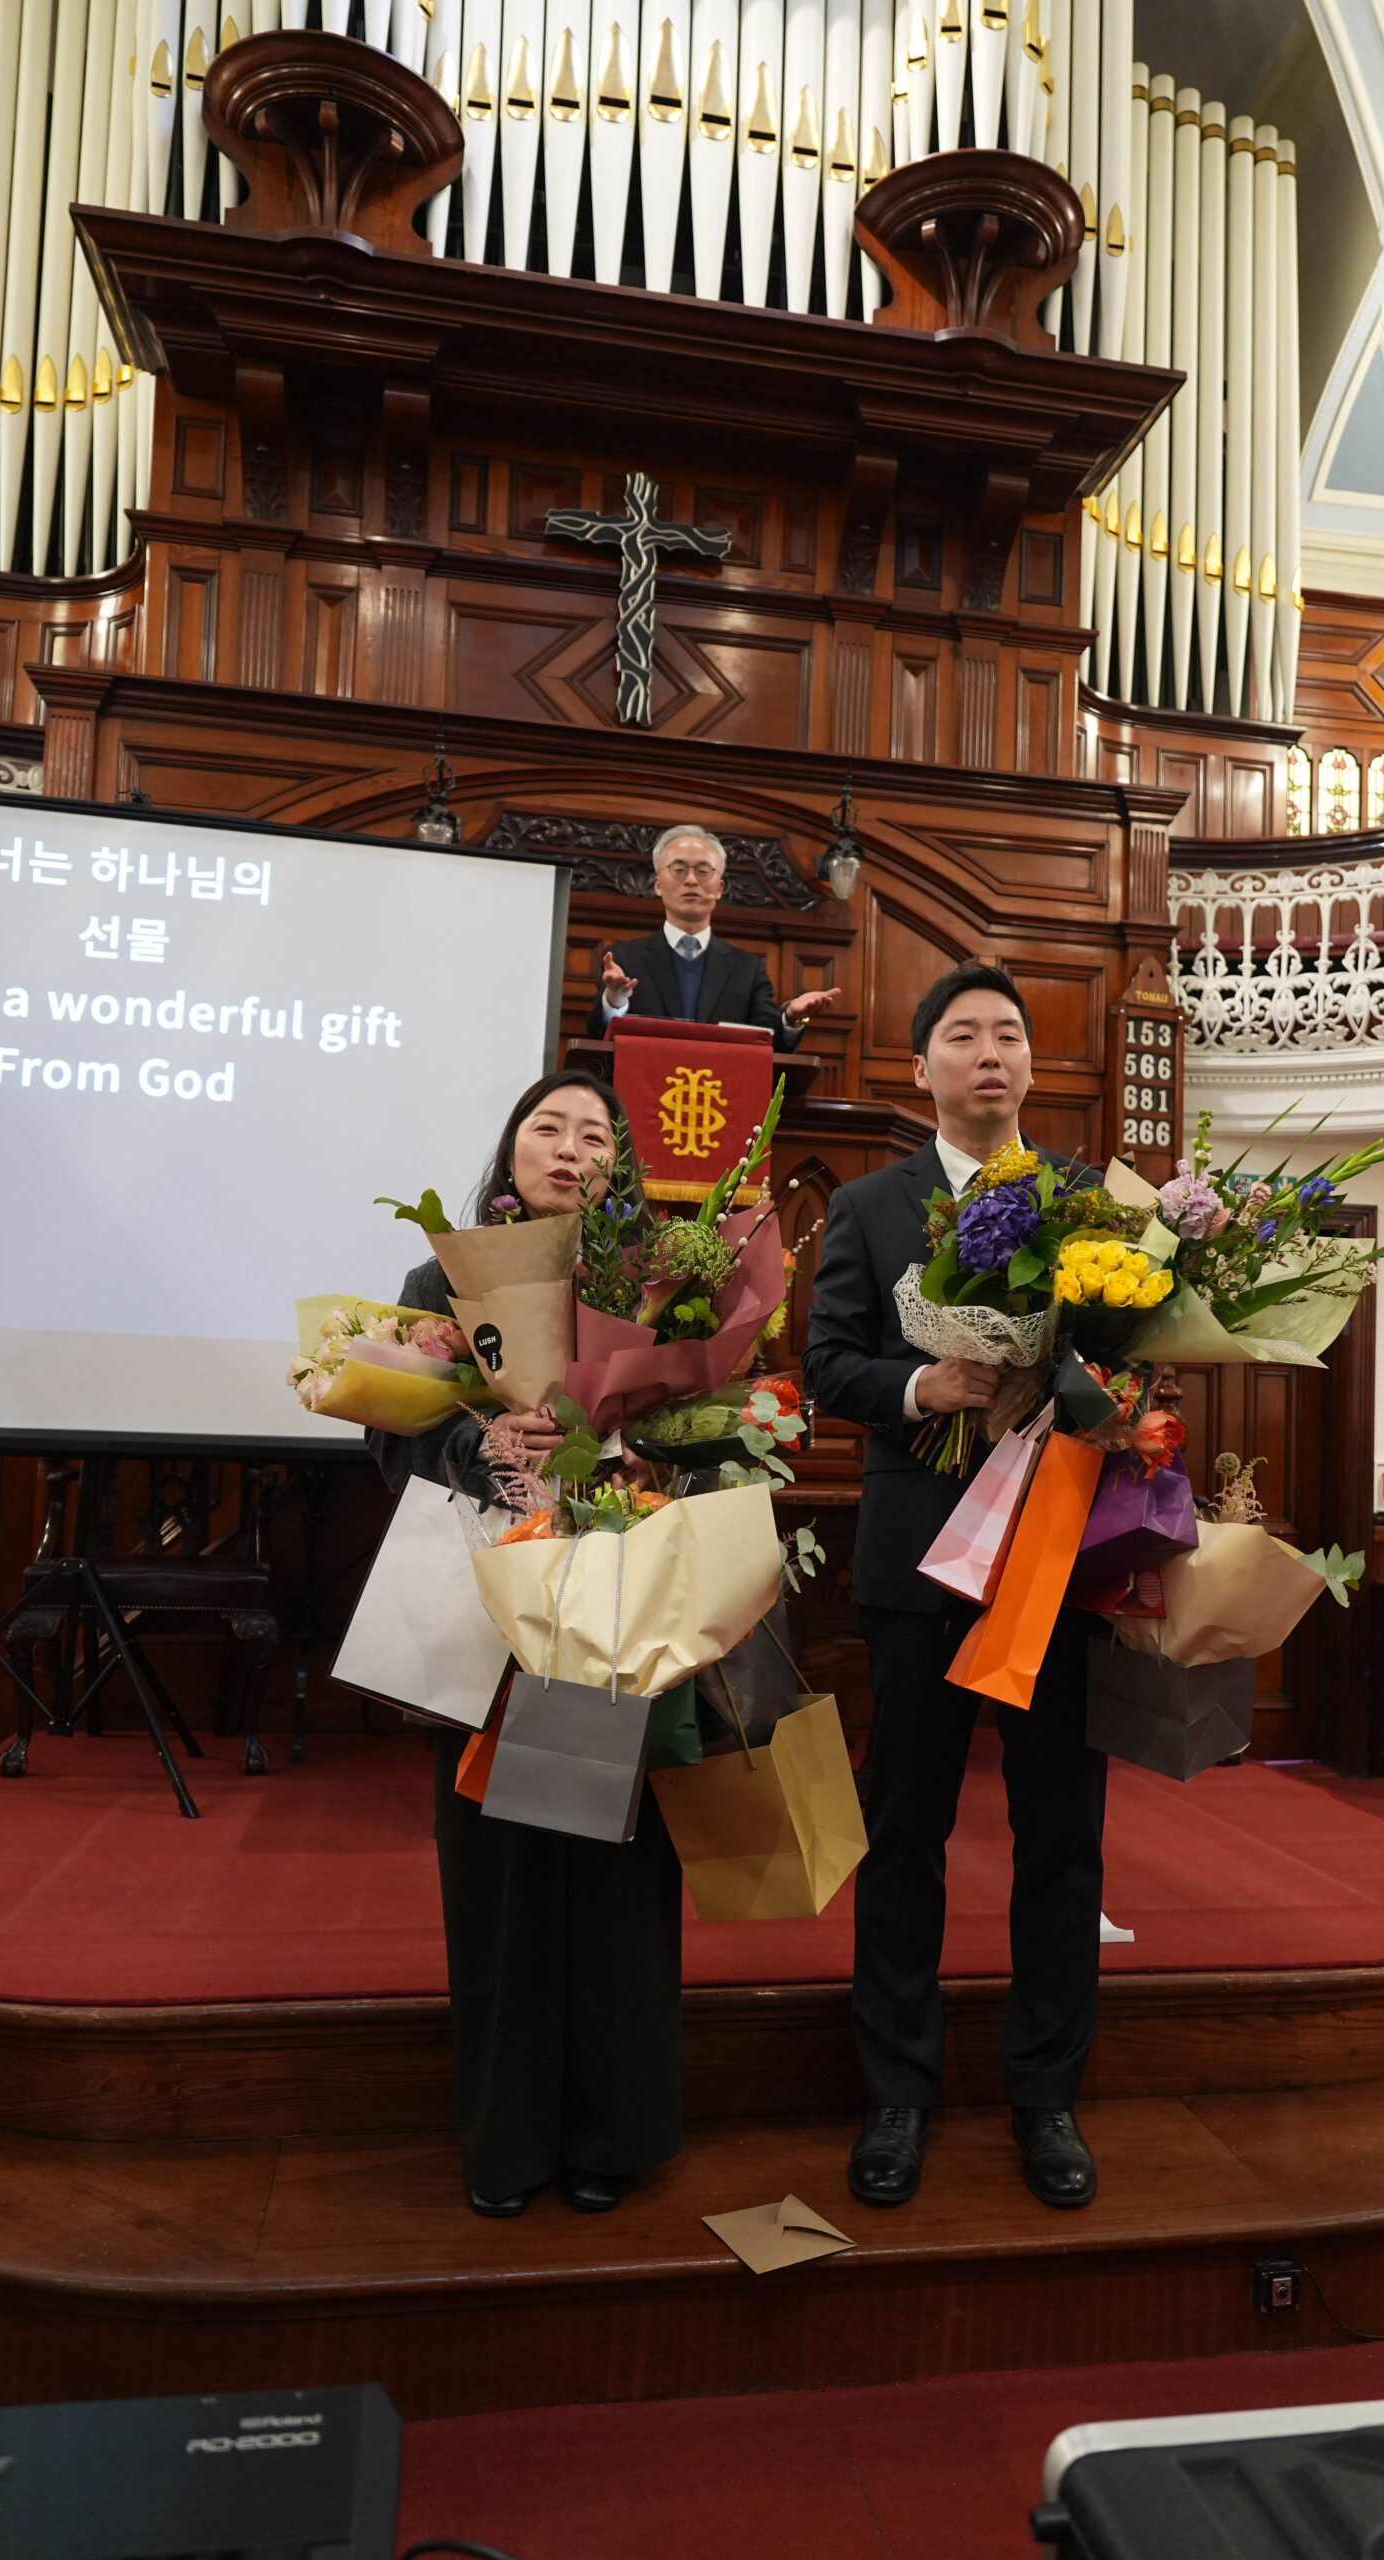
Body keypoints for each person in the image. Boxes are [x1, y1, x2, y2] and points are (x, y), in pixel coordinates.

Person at [802, 963, 1107, 2214]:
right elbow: (827, 1362)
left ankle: (1047, 2094)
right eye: (964, 1035)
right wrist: (920, 1386)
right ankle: (898, 2093)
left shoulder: (1088, 1203)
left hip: (1055, 1556)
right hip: (921, 1556)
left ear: (1032, 1066)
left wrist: (1102, 1394)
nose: (991, 1052)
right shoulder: (870, 1205)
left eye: (1010, 1035)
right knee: (905, 1828)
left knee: (1062, 1837)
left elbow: (1134, 1349)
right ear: (921, 1067)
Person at [366, 1070, 682, 2220]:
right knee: (498, 1876)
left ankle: (610, 2137)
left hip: (610, 1601)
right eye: (548, 1126)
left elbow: (711, 1428)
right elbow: (391, 1434)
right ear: (510, 1151)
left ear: (617, 1170)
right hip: (486, 1610)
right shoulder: (440, 1282)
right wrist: (484, 1447)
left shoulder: (657, 1288)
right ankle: (506, 2144)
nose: (569, 1146)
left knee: (609, 1873)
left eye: (595, 1134)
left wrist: (630, 1456)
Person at [587, 823, 840, 1048]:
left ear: (719, 889)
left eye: (703, 870)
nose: (691, 880)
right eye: (678, 869)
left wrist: (792, 1018)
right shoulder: (624, 961)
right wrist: (615, 1001)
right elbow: (597, 1037)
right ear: (658, 885)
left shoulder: (748, 970)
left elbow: (769, 1044)